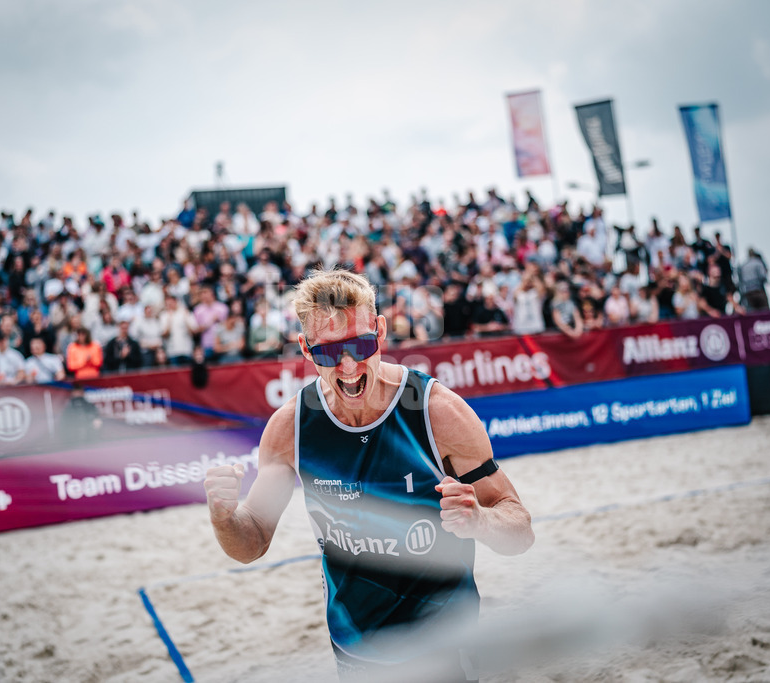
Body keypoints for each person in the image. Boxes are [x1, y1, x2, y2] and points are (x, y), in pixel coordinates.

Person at [204, 269, 533, 681]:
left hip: (447, 645)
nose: (347, 367)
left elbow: (520, 531)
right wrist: (222, 517)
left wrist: (481, 520)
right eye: (328, 352)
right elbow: (250, 542)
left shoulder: (437, 412)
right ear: (306, 349)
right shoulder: (291, 428)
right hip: (355, 651)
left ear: (379, 332)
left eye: (359, 345)